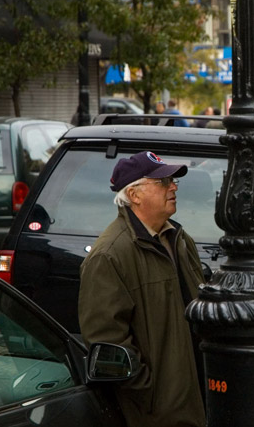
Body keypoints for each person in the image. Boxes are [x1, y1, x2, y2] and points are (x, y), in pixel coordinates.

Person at [78, 151, 205, 427]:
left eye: (173, 180)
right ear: (134, 195)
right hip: (159, 413)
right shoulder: (110, 255)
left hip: (196, 400)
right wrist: (151, 393)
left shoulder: (180, 240)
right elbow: (108, 344)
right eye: (162, 182)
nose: (173, 187)